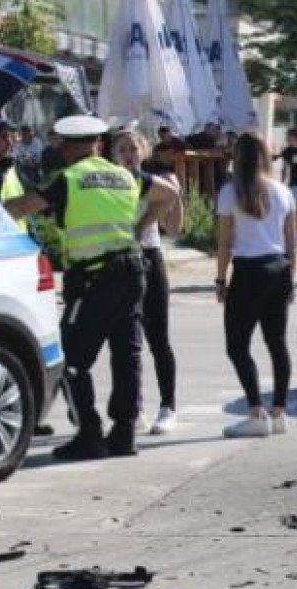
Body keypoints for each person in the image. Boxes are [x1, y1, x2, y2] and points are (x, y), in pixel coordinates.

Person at [6, 115, 147, 460]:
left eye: (61, 145)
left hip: (95, 278)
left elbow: (24, 207)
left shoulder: (68, 179)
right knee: (127, 354)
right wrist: (144, 226)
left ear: (69, 147)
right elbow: (168, 194)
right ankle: (124, 432)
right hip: (133, 270)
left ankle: (90, 434)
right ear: (98, 144)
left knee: (71, 360)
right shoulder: (124, 175)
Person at [216, 132, 297, 438]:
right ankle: (279, 410)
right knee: (277, 342)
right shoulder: (282, 191)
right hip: (278, 268)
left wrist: (221, 279)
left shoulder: (230, 193)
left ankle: (255, 410)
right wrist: (291, 280)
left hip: (248, 271)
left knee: (237, 345)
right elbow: (292, 244)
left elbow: (225, 243)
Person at [112, 130, 185, 436]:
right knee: (128, 341)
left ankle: (168, 407)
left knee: (159, 338)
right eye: (123, 149)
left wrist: (177, 198)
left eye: (133, 148)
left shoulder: (154, 184)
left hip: (150, 257)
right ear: (114, 154)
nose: (129, 154)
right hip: (121, 261)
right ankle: (134, 407)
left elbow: (175, 229)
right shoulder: (111, 184)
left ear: (143, 151)